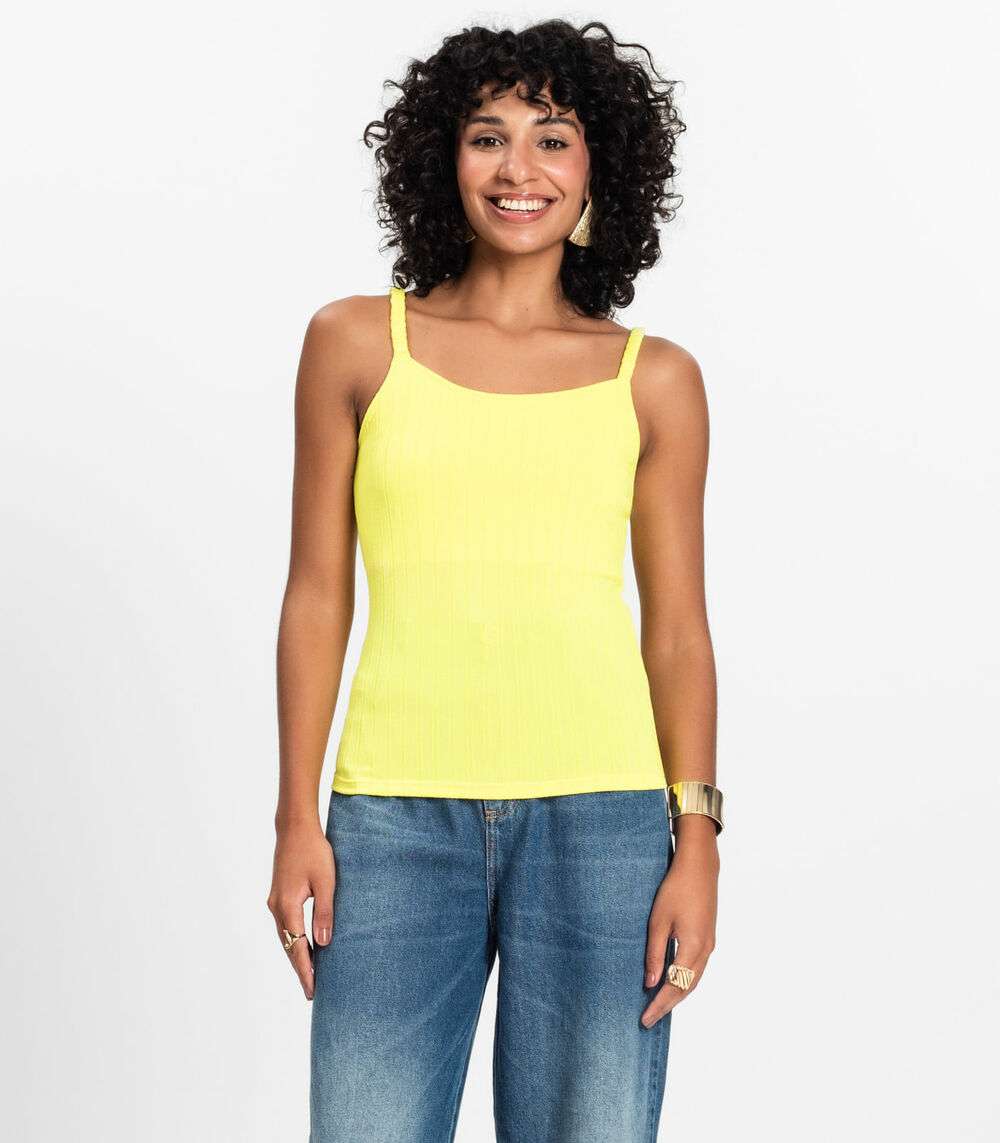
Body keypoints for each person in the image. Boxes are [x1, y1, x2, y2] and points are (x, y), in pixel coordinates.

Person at [268, 18, 723, 1142]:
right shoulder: (354, 344)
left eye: (553, 138)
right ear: (445, 159)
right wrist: (295, 816)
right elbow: (317, 594)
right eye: (488, 137)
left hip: (606, 828)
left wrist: (698, 841)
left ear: (599, 169)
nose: (520, 168)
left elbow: (676, 631)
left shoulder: (653, 379)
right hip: (390, 823)